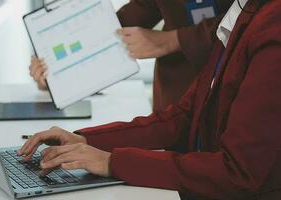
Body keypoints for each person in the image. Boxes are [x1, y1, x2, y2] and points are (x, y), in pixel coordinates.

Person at [19, 0, 281, 199]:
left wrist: (113, 162)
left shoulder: (270, 26)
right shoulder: (243, 12)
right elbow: (183, 117)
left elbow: (238, 171)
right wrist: (87, 140)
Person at [29, 0, 234, 112]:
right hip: (175, 108)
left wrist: (173, 40)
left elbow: (248, 20)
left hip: (233, 95)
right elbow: (120, 24)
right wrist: (56, 73)